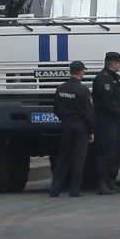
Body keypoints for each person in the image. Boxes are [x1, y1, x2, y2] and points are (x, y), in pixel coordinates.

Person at [50, 61, 94, 197]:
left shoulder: (61, 88)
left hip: (65, 124)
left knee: (63, 158)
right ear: (81, 72)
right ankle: (74, 190)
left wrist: (63, 118)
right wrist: (91, 131)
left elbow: (56, 108)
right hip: (80, 125)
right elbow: (88, 113)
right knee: (78, 158)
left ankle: (55, 189)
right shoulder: (83, 90)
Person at [92, 51, 120, 195]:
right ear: (112, 63)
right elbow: (108, 101)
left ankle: (111, 182)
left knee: (115, 152)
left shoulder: (113, 79)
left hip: (114, 122)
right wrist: (119, 113)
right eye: (119, 62)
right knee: (105, 152)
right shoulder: (103, 79)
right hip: (106, 122)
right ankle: (102, 183)